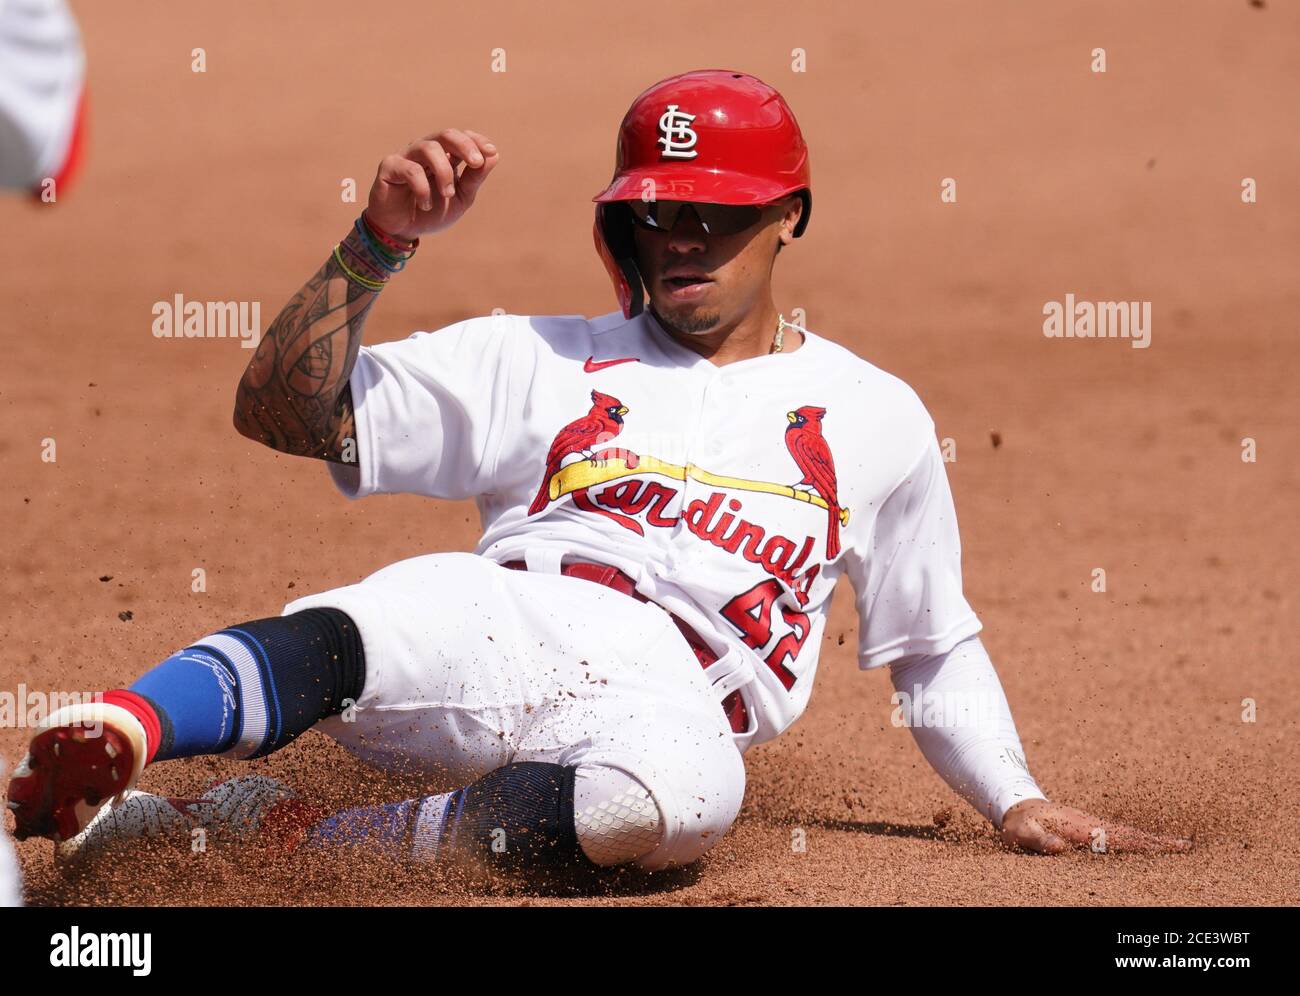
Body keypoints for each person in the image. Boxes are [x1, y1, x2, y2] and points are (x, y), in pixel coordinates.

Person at [6, 70, 1191, 878]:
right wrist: (377, 245)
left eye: (717, 215)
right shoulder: (536, 354)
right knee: (381, 622)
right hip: (512, 615)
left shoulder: (876, 413)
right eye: (658, 210)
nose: (681, 235)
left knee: (662, 809)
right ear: (621, 221)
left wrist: (1013, 797)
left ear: (791, 215)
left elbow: (930, 644)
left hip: (670, 705)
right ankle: (125, 724)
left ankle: (281, 838)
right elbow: (282, 414)